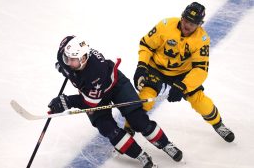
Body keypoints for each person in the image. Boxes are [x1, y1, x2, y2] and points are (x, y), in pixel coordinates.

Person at [48, 35, 183, 168]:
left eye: (72, 60)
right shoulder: (65, 53)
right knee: (107, 128)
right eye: (67, 59)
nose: (68, 62)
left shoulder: (95, 72)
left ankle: (166, 144)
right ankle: (140, 155)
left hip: (116, 86)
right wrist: (64, 68)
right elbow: (69, 49)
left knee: (138, 120)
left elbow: (90, 103)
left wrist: (66, 101)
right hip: (92, 92)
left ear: (83, 59)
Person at [126, 2, 235, 143]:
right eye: (187, 20)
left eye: (193, 23)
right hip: (156, 68)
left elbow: (201, 69)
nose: (188, 25)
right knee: (145, 99)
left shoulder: (202, 40)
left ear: (200, 24)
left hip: (182, 74)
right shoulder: (165, 25)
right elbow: (146, 45)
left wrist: (183, 85)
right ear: (182, 17)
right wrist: (142, 66)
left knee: (200, 102)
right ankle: (129, 128)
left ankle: (218, 124)